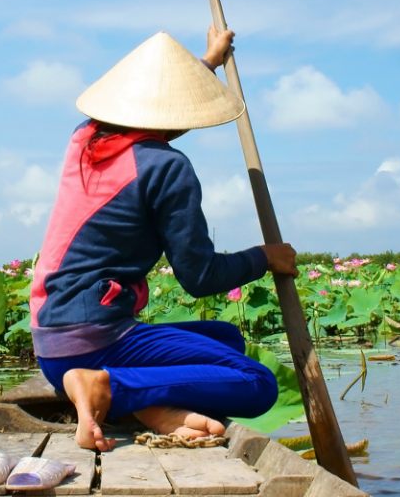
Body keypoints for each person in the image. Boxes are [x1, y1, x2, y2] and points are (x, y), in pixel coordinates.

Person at [27, 26, 298, 451]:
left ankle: (143, 404)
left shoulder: (84, 138)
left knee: (226, 339)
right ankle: (109, 387)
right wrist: (264, 258)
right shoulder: (167, 168)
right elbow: (201, 276)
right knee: (257, 381)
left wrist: (208, 62)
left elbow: (158, 109)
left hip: (51, 346)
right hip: (95, 342)